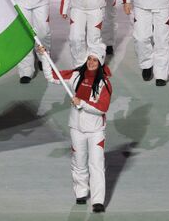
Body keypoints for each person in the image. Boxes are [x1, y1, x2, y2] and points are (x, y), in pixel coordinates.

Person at [38, 44, 111, 214]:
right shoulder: (75, 75)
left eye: (95, 60)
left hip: (96, 131)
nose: (91, 62)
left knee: (97, 164)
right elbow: (51, 76)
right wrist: (44, 56)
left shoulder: (104, 83)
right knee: (79, 162)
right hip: (76, 128)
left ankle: (98, 201)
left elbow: (103, 107)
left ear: (100, 62)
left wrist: (82, 103)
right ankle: (81, 193)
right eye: (89, 59)